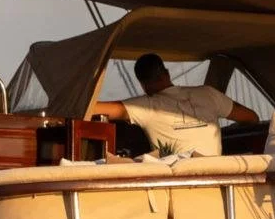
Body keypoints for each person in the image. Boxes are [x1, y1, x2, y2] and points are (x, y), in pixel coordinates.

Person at [87, 53, 258, 157]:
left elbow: (95, 109)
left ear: (143, 84)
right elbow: (252, 117)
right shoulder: (208, 93)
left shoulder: (145, 106)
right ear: (166, 73)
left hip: (177, 186)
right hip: (218, 182)